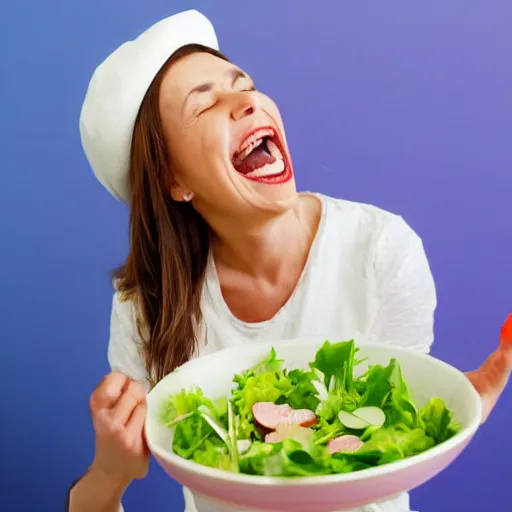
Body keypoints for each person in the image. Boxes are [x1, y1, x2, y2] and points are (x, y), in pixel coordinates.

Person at [70, 9, 512, 512]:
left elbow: (386, 450)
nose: (247, 102)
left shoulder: (381, 250)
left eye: (244, 85)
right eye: (206, 104)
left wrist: (450, 413)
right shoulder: (147, 305)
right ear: (175, 181)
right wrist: (110, 471)